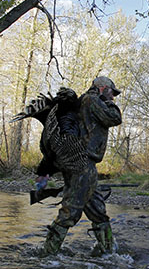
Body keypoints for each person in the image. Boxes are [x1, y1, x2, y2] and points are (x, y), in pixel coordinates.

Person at [41, 76, 122, 257]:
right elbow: (115, 117)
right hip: (82, 164)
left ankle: (108, 252)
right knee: (70, 212)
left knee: (98, 212)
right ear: (102, 88)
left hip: (82, 163)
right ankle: (46, 255)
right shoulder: (92, 100)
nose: (113, 96)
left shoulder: (85, 101)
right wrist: (107, 102)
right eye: (112, 92)